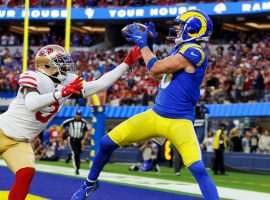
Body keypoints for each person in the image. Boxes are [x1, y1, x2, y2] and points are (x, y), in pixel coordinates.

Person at [72, 9, 219, 200]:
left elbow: (155, 69)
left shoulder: (195, 51)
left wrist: (143, 45)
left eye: (181, 26)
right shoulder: (180, 50)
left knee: (198, 168)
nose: (176, 29)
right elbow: (159, 67)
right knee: (105, 143)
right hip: (156, 115)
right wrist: (150, 45)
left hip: (179, 121)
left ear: (193, 29)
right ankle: (90, 184)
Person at [0, 44, 141, 200]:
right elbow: (32, 104)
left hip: (20, 142)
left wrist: (125, 65)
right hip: (2, 130)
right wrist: (61, 93)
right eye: (60, 62)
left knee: (26, 173)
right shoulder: (34, 77)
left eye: (65, 61)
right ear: (46, 65)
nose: (66, 66)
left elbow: (99, 85)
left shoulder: (67, 81)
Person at [61, 110, 90, 175]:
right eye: (77, 114)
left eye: (79, 114)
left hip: (80, 139)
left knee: (79, 153)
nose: (78, 116)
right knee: (76, 153)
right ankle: (77, 169)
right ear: (75, 114)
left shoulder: (83, 122)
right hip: (72, 139)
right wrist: (62, 135)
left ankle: (70, 155)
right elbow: (62, 125)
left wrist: (84, 139)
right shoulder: (70, 121)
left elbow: (86, 131)